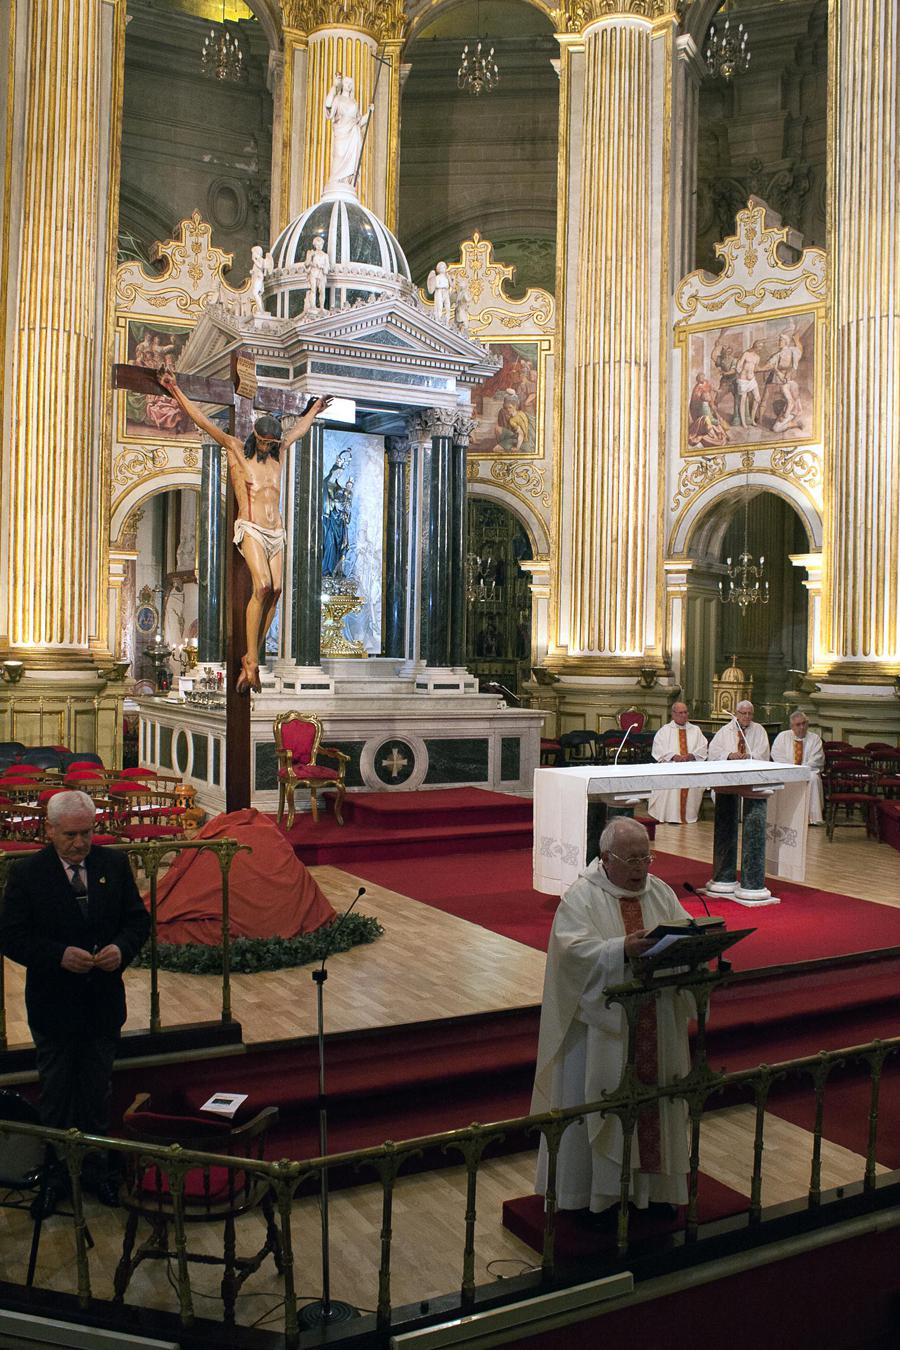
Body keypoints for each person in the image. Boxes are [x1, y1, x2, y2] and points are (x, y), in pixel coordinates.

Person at [532, 818, 695, 1215]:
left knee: (655, 1103)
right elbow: (571, 956)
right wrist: (620, 949)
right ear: (606, 858)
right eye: (632, 859)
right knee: (603, 1104)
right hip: (602, 1033)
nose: (642, 868)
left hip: (655, 1020)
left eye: (647, 857)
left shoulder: (660, 891)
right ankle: (599, 1197)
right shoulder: (581, 898)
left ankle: (654, 1193)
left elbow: (685, 929)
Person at [0, 791, 150, 1211]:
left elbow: (137, 921)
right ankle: (53, 1177)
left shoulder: (114, 866)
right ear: (50, 830)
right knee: (56, 1094)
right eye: (71, 835)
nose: (81, 843)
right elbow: (11, 936)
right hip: (54, 1006)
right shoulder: (28, 874)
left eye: (87, 832)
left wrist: (122, 949)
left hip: (102, 1005)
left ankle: (97, 1172)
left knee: (96, 1094)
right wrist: (57, 956)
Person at [159, 373, 332, 693]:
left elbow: (298, 431)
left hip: (276, 530)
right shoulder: (237, 449)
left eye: (274, 443)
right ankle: (250, 659)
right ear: (257, 436)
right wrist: (175, 389)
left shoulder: (279, 454)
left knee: (277, 590)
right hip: (250, 527)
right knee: (263, 585)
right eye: (267, 442)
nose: (270, 447)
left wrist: (314, 411)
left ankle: (252, 656)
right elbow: (202, 421)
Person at [648, 701, 709, 824]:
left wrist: (691, 755)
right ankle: (668, 814)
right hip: (671, 765)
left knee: (695, 781)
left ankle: (689, 815)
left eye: (686, 712)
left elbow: (703, 747)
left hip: (691, 765)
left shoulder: (695, 730)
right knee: (667, 780)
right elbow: (658, 749)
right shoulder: (665, 731)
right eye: (681, 713)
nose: (684, 715)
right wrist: (674, 756)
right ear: (673, 714)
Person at [771, 710, 825, 824]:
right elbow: (776, 755)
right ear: (791, 726)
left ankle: (812, 818)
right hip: (787, 771)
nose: (802, 727)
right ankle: (785, 815)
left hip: (807, 771)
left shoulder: (815, 739)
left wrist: (801, 769)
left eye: (804, 723)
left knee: (814, 779)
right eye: (798, 724)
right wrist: (792, 769)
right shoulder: (782, 736)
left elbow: (817, 759)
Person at [324, 74, 372, 188]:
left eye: (351, 83)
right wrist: (334, 87)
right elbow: (328, 105)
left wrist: (370, 112)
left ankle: (347, 182)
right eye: (346, 83)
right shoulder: (337, 99)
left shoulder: (354, 102)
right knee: (338, 157)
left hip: (353, 135)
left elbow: (359, 122)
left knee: (351, 164)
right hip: (341, 134)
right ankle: (337, 182)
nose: (349, 85)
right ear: (343, 84)